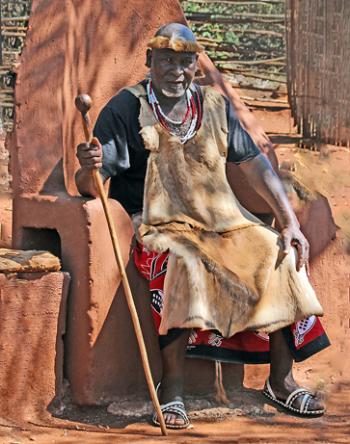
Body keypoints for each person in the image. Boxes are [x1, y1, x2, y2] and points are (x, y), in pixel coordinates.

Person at [75, 23, 329, 429]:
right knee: (185, 262)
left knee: (278, 253)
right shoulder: (125, 109)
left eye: (183, 61)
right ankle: (171, 389)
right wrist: (88, 167)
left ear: (195, 64)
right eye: (165, 61)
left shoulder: (213, 105)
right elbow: (90, 186)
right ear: (149, 62)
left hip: (223, 222)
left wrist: (289, 221)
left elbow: (256, 165)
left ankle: (280, 381)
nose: (175, 70)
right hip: (161, 226)